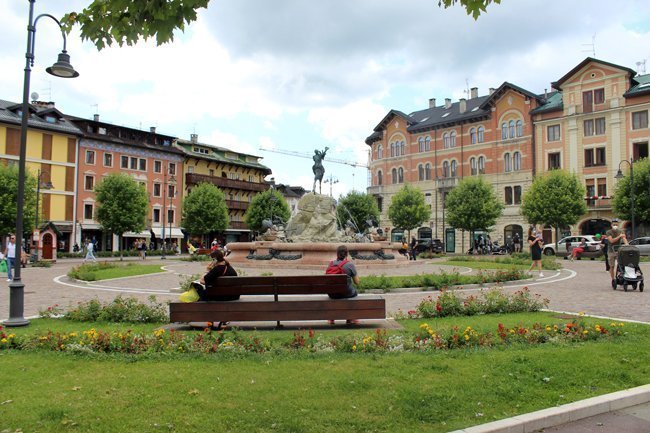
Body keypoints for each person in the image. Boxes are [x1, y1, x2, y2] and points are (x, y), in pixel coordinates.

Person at [326, 245, 360, 325]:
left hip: (332, 294)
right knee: (353, 292)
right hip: (346, 293)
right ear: (346, 254)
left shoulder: (330, 264)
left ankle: (332, 318)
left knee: (337, 293)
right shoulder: (350, 265)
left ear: (337, 254)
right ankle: (350, 317)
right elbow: (357, 282)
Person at [606, 218, 628, 285]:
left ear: (618, 225)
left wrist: (627, 245)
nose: (615, 225)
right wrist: (619, 236)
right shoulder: (608, 232)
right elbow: (611, 241)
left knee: (622, 264)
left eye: (616, 224)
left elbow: (624, 239)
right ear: (611, 225)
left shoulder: (621, 231)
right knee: (612, 266)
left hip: (619, 251)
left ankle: (622, 276)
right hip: (611, 251)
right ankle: (613, 279)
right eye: (614, 224)